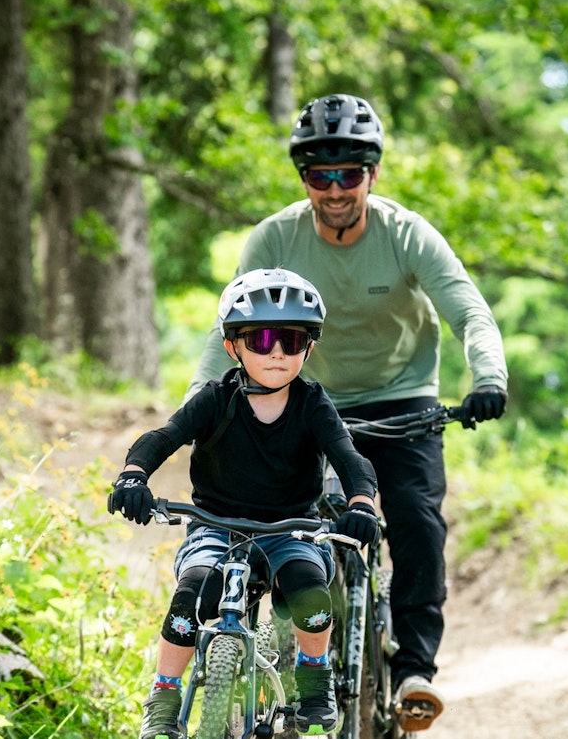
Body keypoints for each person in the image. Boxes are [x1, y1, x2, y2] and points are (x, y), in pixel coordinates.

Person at [187, 93, 509, 731]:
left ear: (373, 174)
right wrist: (199, 403)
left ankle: (414, 668)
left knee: (415, 517)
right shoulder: (276, 238)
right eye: (319, 174)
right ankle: (262, 656)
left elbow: (469, 310)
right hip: (306, 399)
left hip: (402, 402)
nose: (335, 188)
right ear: (303, 177)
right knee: (272, 514)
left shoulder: (405, 234)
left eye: (350, 173)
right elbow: (221, 332)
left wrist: (488, 376)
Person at [109, 268, 381, 739]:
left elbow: (350, 459)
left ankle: (314, 675)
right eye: (260, 339)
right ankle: (165, 693)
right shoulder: (215, 399)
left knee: (308, 586)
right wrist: (134, 474)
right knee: (191, 594)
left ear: (308, 348)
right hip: (217, 527)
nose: (276, 351)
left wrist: (361, 502)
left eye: (291, 340)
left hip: (292, 529)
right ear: (233, 346)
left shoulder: (313, 404)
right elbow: (162, 438)